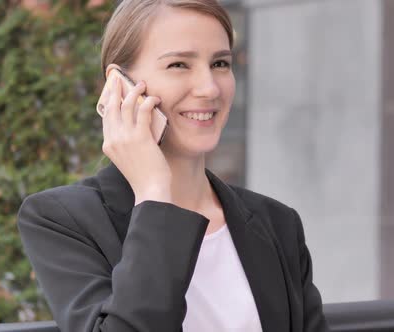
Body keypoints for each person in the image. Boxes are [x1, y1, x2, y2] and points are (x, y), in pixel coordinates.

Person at [17, 0, 329, 331]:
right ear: (119, 84)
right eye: (179, 65)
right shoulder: (61, 219)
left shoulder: (277, 223)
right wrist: (154, 193)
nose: (209, 88)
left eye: (220, 63)